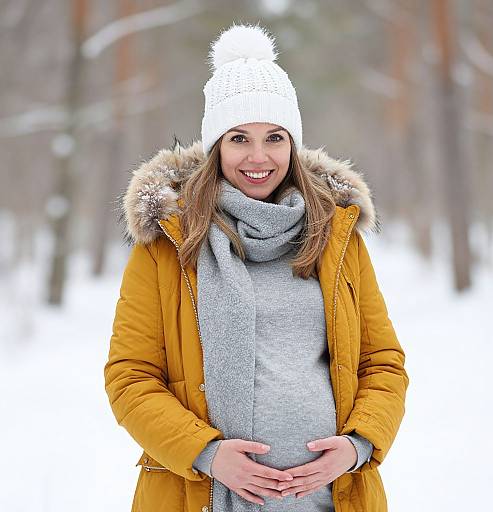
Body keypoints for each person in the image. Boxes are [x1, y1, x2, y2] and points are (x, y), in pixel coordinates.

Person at [105, 22, 409, 512]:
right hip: (200, 495)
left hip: (330, 498)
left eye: (274, 137)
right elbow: (131, 376)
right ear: (215, 148)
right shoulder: (168, 243)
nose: (259, 156)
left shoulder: (336, 237)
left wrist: (358, 446)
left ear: (293, 144)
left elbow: (382, 363)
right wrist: (205, 453)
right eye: (239, 138)